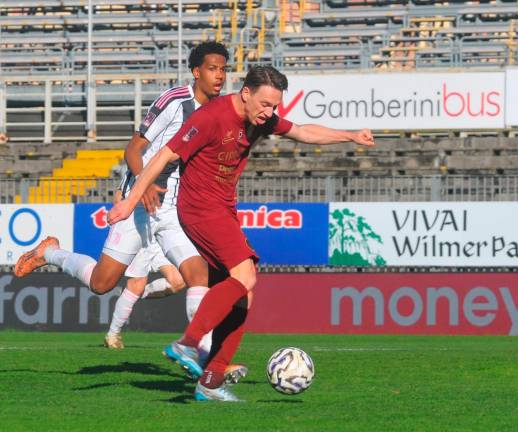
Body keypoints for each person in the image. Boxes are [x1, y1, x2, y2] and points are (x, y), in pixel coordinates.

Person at [108, 65, 375, 401]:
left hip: (222, 210)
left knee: (242, 296)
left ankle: (211, 381)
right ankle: (188, 344)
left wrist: (350, 135)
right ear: (245, 93)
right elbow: (163, 156)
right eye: (265, 104)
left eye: (275, 106)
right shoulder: (211, 117)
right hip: (201, 209)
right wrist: (131, 201)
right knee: (245, 275)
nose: (270, 112)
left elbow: (304, 132)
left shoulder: (259, 118)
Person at [15, 42, 245, 381]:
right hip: (139, 200)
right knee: (102, 282)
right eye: (213, 68)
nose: (219, 76)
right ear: (197, 72)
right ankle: (50, 251)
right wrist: (144, 183)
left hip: (175, 208)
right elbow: (134, 148)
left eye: (224, 69)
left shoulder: (221, 110)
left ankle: (209, 360)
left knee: (197, 275)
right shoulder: (173, 101)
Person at [104, 241, 185, 349]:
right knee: (136, 285)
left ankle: (132, 295)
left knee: (178, 282)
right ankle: (112, 334)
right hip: (141, 240)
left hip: (161, 239)